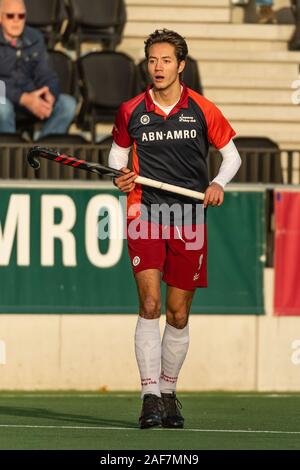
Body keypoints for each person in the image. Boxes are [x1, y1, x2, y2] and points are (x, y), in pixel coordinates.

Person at [108, 29, 241, 429]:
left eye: (166, 60)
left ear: (181, 65)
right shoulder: (131, 110)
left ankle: (168, 393)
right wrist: (122, 177)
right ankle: (149, 396)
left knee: (177, 314)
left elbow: (231, 156)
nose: (158, 67)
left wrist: (217, 183)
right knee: (149, 305)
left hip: (188, 219)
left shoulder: (202, 108)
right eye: (152, 60)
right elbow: (116, 155)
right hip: (144, 214)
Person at [0, 0, 76, 139]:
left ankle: (40, 154)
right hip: (6, 97)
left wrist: (49, 95)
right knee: (2, 108)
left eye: (21, 16)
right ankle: (8, 157)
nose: (16, 21)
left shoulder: (35, 38)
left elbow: (46, 73)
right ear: (0, 17)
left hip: (31, 97)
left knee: (67, 105)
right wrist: (23, 98)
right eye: (10, 16)